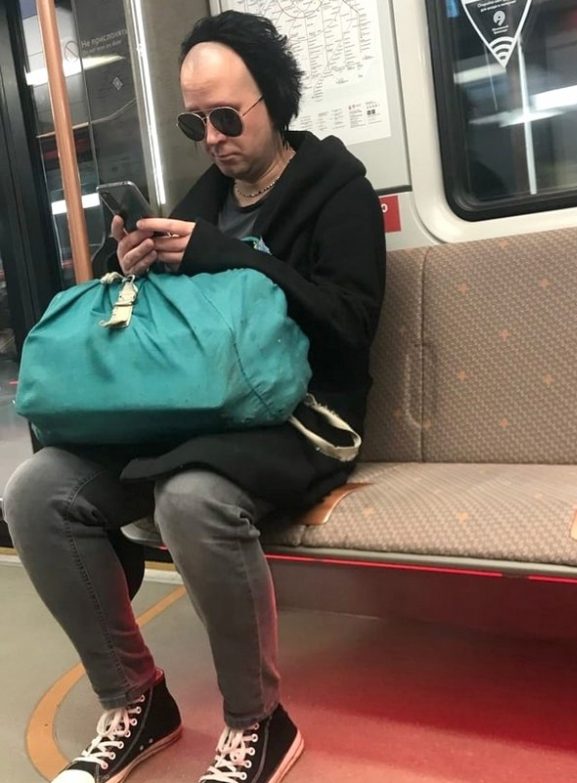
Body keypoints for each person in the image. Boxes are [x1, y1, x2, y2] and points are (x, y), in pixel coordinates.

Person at [4, 10, 385, 783]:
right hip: (195, 408)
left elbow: (350, 327)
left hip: (302, 413)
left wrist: (231, 258)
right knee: (36, 492)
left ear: (275, 99)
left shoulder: (339, 191)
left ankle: (259, 721)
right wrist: (132, 263)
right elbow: (183, 330)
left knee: (190, 497)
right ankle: (136, 698)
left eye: (226, 118)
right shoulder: (199, 199)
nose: (211, 138)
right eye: (194, 121)